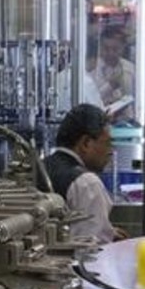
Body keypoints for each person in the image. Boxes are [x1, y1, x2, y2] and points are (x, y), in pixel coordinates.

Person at [38, 105, 125, 244]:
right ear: (86, 143)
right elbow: (92, 248)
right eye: (107, 143)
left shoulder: (39, 168)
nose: (111, 151)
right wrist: (106, 236)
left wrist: (108, 231)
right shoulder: (87, 184)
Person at [90, 25, 136, 116]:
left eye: (115, 49)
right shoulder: (92, 69)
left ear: (123, 48)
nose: (110, 53)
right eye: (106, 48)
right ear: (100, 47)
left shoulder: (131, 69)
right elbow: (90, 99)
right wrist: (110, 86)